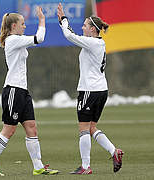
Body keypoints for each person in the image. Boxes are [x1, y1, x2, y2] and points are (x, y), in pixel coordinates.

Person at [0, 7, 59, 176]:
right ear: (13, 26)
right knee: (9, 130)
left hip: (22, 91)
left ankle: (38, 166)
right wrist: (42, 20)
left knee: (32, 127)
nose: (24, 26)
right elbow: (40, 38)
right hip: (13, 90)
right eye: (22, 24)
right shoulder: (13, 39)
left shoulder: (18, 39)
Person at [57, 3, 124, 174]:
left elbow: (69, 35)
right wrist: (63, 21)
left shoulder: (92, 43)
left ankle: (85, 167)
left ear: (93, 30)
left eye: (85, 25)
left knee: (83, 128)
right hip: (101, 90)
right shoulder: (97, 43)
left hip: (90, 91)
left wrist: (64, 20)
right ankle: (113, 151)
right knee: (92, 127)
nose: (82, 27)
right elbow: (74, 35)